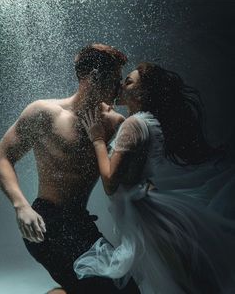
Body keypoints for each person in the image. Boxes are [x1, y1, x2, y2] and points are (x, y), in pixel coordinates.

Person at [74, 62, 235, 294]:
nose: (121, 85)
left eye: (128, 81)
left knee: (176, 281)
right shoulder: (147, 120)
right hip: (146, 211)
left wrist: (97, 139)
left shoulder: (132, 124)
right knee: (179, 278)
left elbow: (109, 183)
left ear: (143, 92)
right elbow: (138, 168)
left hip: (143, 219)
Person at [0, 44, 140, 294]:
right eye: (114, 80)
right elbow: (2, 155)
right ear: (94, 78)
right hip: (46, 224)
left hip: (80, 223)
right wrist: (21, 205)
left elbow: (122, 175)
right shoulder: (44, 112)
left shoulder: (116, 123)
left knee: (127, 289)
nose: (118, 87)